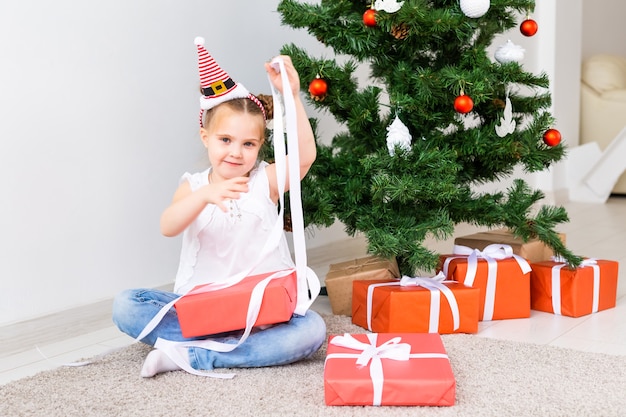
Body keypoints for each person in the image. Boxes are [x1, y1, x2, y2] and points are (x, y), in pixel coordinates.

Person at [112, 38, 326, 377]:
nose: (236, 152)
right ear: (205, 137)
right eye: (225, 140)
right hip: (204, 312)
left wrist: (292, 94)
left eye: (248, 144)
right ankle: (216, 344)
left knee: (312, 330)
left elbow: (305, 158)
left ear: (259, 146)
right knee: (125, 305)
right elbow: (168, 225)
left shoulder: (264, 181)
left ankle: (194, 354)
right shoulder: (194, 186)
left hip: (260, 312)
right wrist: (204, 197)